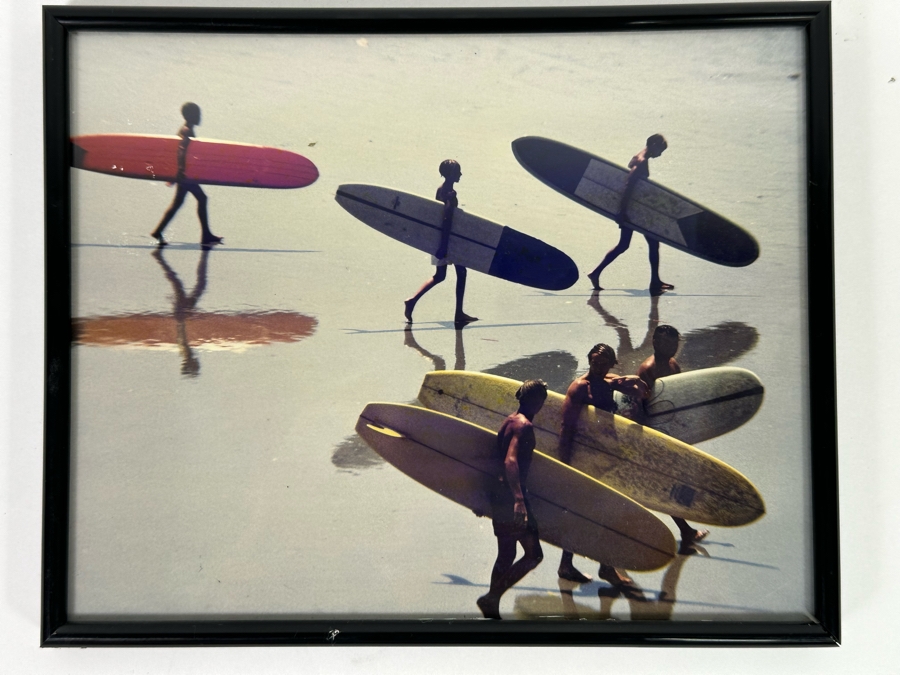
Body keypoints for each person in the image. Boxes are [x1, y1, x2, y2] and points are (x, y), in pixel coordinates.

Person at [555, 343, 649, 586]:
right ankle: (577, 565)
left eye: (603, 363)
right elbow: (566, 427)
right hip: (585, 458)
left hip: (608, 455)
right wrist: (564, 465)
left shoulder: (608, 382)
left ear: (611, 363)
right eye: (594, 362)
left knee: (605, 512)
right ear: (589, 361)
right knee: (590, 513)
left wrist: (633, 380)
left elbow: (636, 390)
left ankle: (592, 566)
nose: (597, 366)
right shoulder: (579, 388)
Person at [476, 379, 548, 619]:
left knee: (506, 554)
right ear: (538, 402)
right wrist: (519, 499)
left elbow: (494, 461)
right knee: (534, 554)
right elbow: (510, 460)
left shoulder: (508, 420)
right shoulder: (524, 425)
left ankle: (491, 606)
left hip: (499, 495)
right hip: (512, 496)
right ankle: (492, 597)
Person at [637, 324, 710, 554]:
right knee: (663, 483)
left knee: (666, 482)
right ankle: (684, 530)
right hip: (655, 434)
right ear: (655, 343)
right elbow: (642, 407)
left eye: (675, 344)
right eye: (668, 344)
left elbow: (678, 398)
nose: (672, 348)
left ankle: (683, 529)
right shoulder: (647, 370)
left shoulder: (672, 364)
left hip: (671, 431)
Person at [587, 134, 673, 295]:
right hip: (633, 211)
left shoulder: (637, 157)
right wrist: (622, 211)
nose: (660, 154)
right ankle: (655, 282)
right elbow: (628, 185)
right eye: (660, 150)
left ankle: (596, 273)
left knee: (625, 245)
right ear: (653, 144)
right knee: (652, 243)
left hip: (632, 209)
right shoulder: (641, 161)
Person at [404, 160, 478, 326]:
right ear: (450, 173)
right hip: (447, 239)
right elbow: (446, 218)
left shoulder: (442, 190)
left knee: (442, 275)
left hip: (441, 237)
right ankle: (457, 312)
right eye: (458, 171)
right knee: (457, 273)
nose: (460, 174)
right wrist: (444, 244)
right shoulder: (449, 193)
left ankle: (413, 301)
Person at [150, 102, 223, 247]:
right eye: (197, 114)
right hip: (185, 175)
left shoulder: (186, 129)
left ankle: (158, 231)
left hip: (184, 174)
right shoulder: (187, 130)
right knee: (202, 199)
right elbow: (181, 151)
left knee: (178, 203)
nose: (200, 117)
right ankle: (206, 235)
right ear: (190, 116)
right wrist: (180, 172)